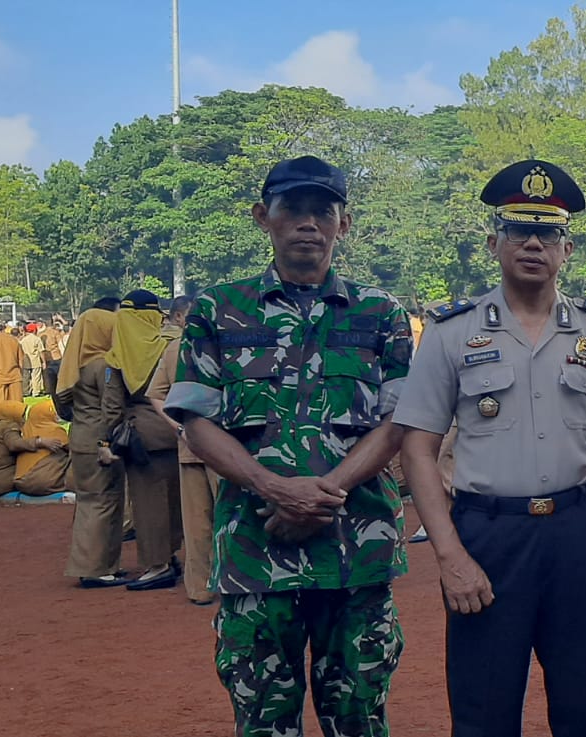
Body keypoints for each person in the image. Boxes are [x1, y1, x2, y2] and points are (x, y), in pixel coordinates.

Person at [394, 159, 586, 737]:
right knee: (483, 711)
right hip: (488, 538)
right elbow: (417, 450)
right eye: (518, 230)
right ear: (494, 243)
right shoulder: (450, 333)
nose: (532, 243)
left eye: (548, 232)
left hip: (577, 534)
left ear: (567, 248)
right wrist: (450, 556)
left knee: (585, 708)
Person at [162, 156, 412, 736]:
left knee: (359, 718)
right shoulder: (219, 310)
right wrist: (275, 488)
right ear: (263, 217)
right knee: (264, 719)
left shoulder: (380, 314)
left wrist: (326, 494)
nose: (308, 224)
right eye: (291, 210)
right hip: (257, 547)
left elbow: (398, 423)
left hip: (356, 551)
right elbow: (197, 422)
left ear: (343, 224)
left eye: (322, 212)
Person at [106, 290, 184, 591]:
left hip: (142, 438)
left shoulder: (118, 355)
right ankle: (174, 554)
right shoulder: (172, 346)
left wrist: (107, 439)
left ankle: (157, 565)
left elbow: (112, 406)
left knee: (148, 505)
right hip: (178, 431)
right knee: (176, 501)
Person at [145, 296, 215, 605]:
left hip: (189, 444)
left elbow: (155, 395)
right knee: (234, 515)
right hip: (230, 447)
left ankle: (200, 587)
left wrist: (179, 428)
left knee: (197, 521)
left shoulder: (174, 349)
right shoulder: (227, 348)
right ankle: (238, 584)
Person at [57, 308, 127, 588]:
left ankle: (102, 563)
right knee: (104, 503)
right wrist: (109, 440)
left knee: (88, 502)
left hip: (80, 438)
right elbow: (111, 409)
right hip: (100, 441)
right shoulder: (105, 365)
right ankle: (95, 568)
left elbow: (63, 404)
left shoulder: (74, 365)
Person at [14, 399, 70, 497]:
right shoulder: (54, 430)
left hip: (21, 484)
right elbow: (71, 449)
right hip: (45, 484)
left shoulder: (23, 431)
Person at [20, 324, 46, 396]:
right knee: (36, 377)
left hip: (26, 361)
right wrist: (44, 362)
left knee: (26, 378)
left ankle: (26, 392)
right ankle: (36, 392)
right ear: (35, 330)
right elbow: (41, 351)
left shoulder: (23, 340)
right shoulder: (37, 339)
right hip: (35, 361)